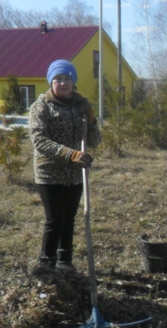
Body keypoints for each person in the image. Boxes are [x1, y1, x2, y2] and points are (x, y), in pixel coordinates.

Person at [29, 59, 101, 270]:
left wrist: (92, 122)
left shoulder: (81, 106)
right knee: (55, 219)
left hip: (75, 174)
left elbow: (94, 142)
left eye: (67, 78)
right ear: (51, 82)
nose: (63, 83)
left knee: (70, 217)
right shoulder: (41, 106)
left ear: (73, 82)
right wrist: (69, 154)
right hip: (49, 172)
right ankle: (46, 263)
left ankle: (65, 260)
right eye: (58, 79)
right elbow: (39, 140)